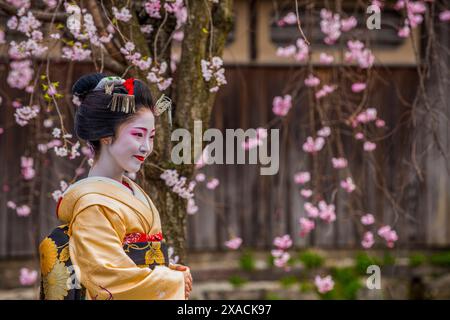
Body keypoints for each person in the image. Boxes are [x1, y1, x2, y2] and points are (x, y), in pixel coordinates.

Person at [39, 73, 192, 300]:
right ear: (106, 136)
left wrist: (168, 272)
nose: (146, 147)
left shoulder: (130, 192)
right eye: (138, 135)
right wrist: (171, 282)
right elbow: (107, 278)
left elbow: (140, 263)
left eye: (151, 136)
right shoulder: (93, 204)